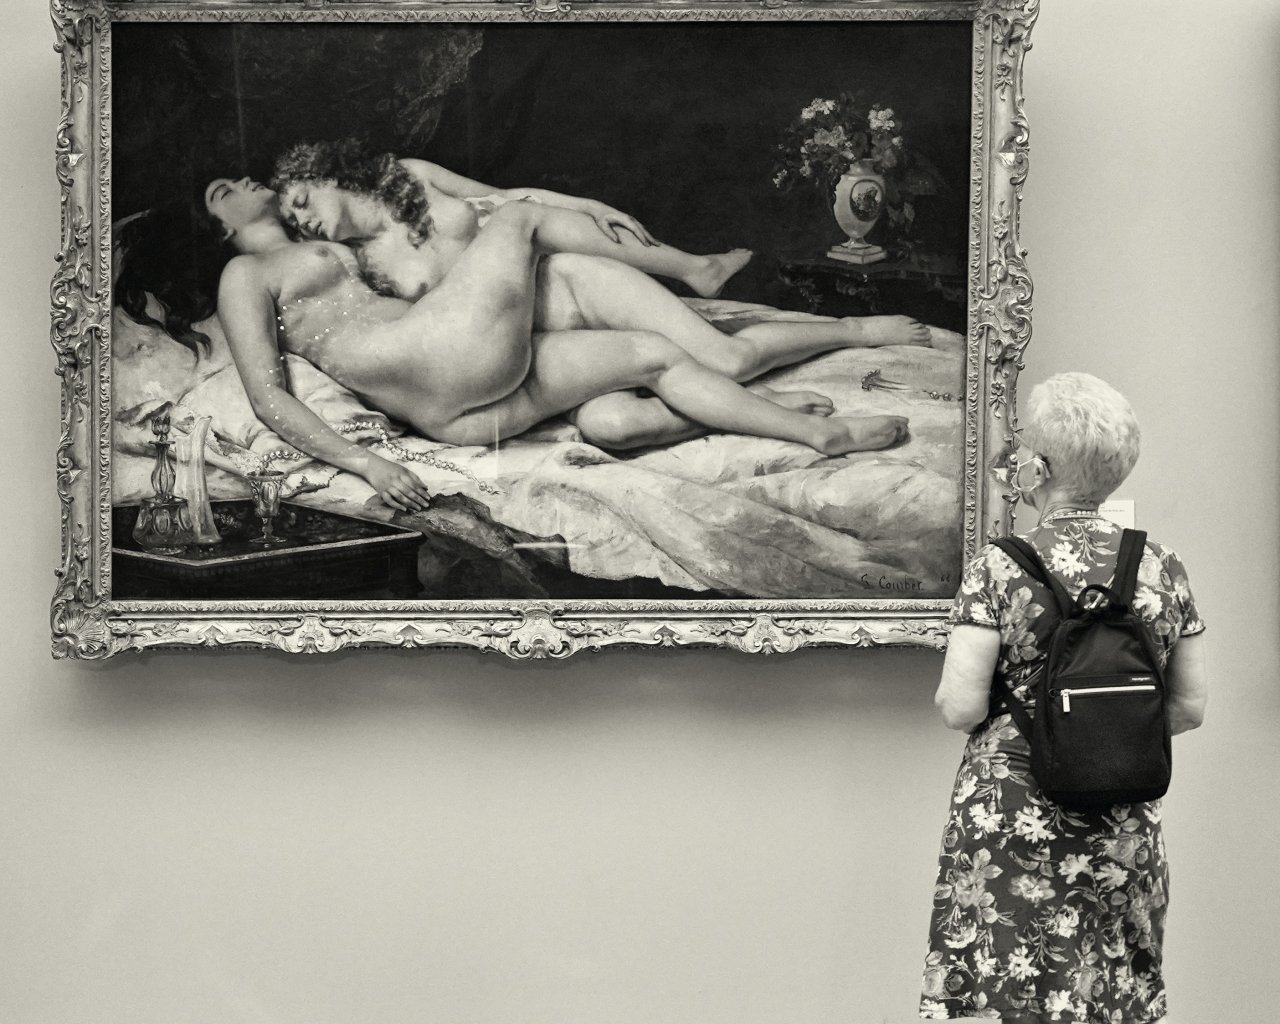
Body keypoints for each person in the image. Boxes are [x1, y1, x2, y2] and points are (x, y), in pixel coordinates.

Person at [204, 176, 925, 512]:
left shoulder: (340, 231)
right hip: (434, 362)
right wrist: (363, 461)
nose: (238, 179)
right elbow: (267, 397)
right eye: (219, 189)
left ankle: (815, 433)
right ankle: (690, 268)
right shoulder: (243, 274)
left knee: (649, 356)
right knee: (518, 220)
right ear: (222, 230)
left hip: (455, 403)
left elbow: (449, 242)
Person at [921, 372, 1207, 1024]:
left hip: (1011, 819)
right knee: (1111, 995)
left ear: (1041, 467)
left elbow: (961, 707)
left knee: (1003, 993)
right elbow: (1189, 708)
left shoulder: (998, 567)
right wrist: (1102, 735)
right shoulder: (1162, 566)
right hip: (1121, 820)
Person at [270, 137, 754, 299]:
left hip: (543, 265)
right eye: (293, 223)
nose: (302, 222)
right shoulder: (354, 263)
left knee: (541, 233)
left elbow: (505, 198)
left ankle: (696, 268)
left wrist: (590, 205)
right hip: (501, 318)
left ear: (325, 175)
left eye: (301, 202)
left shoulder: (408, 173)